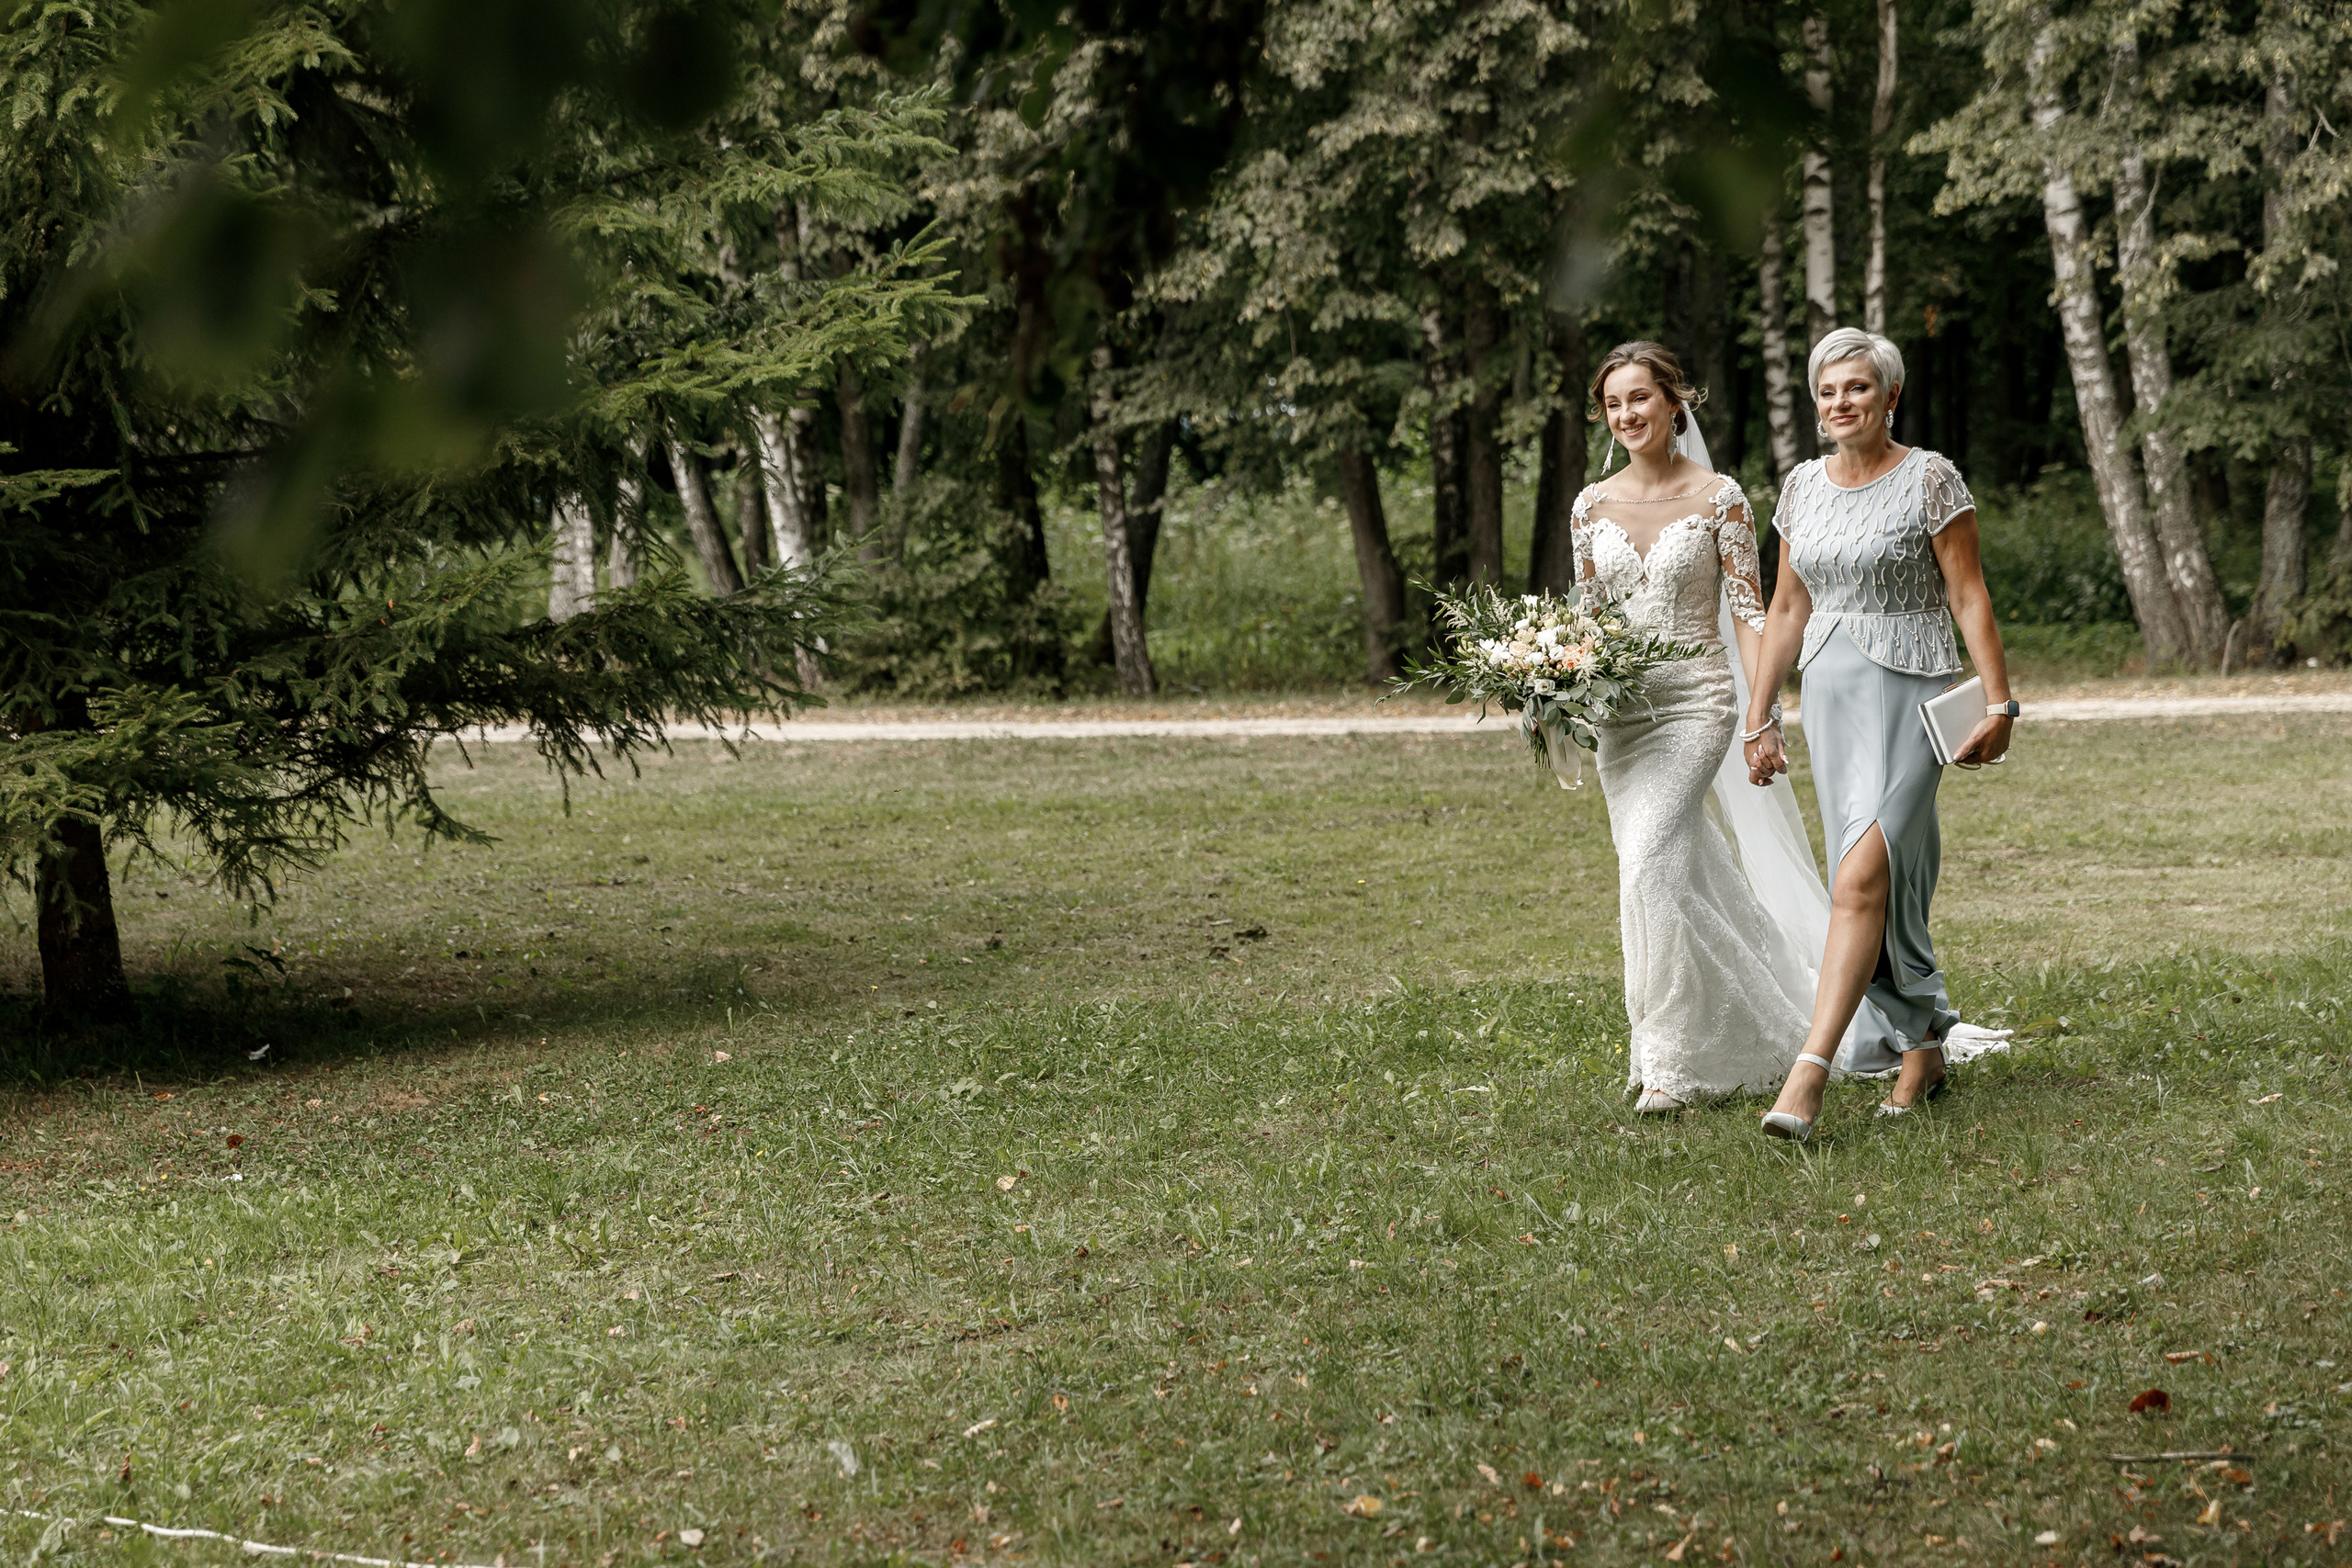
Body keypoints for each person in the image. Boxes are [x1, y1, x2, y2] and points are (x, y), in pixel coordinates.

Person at [1746, 327, 2018, 1141]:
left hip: (1916, 692)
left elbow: (1969, 595)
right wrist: (1759, 714)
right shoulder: (1800, 486)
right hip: (1831, 692)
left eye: (1857, 388)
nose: (1840, 404)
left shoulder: (1931, 478)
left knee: (1861, 876)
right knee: (1871, 879)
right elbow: (1787, 608)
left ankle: (1810, 1071)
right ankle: (1924, 1042)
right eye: (1827, 392)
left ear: (1889, 395)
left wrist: (2000, 705)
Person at [1570, 342, 1821, 1111]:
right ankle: (1751, 1029)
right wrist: (1552, 681)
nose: (1627, 415)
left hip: (1696, 701)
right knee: (1665, 870)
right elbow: (1585, 617)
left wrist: (1761, 715)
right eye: (1614, 404)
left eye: (1640, 398)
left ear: (1674, 402)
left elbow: (1750, 616)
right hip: (1622, 716)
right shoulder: (1589, 504)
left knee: (1646, 863)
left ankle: (1669, 1065)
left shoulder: (1721, 498)